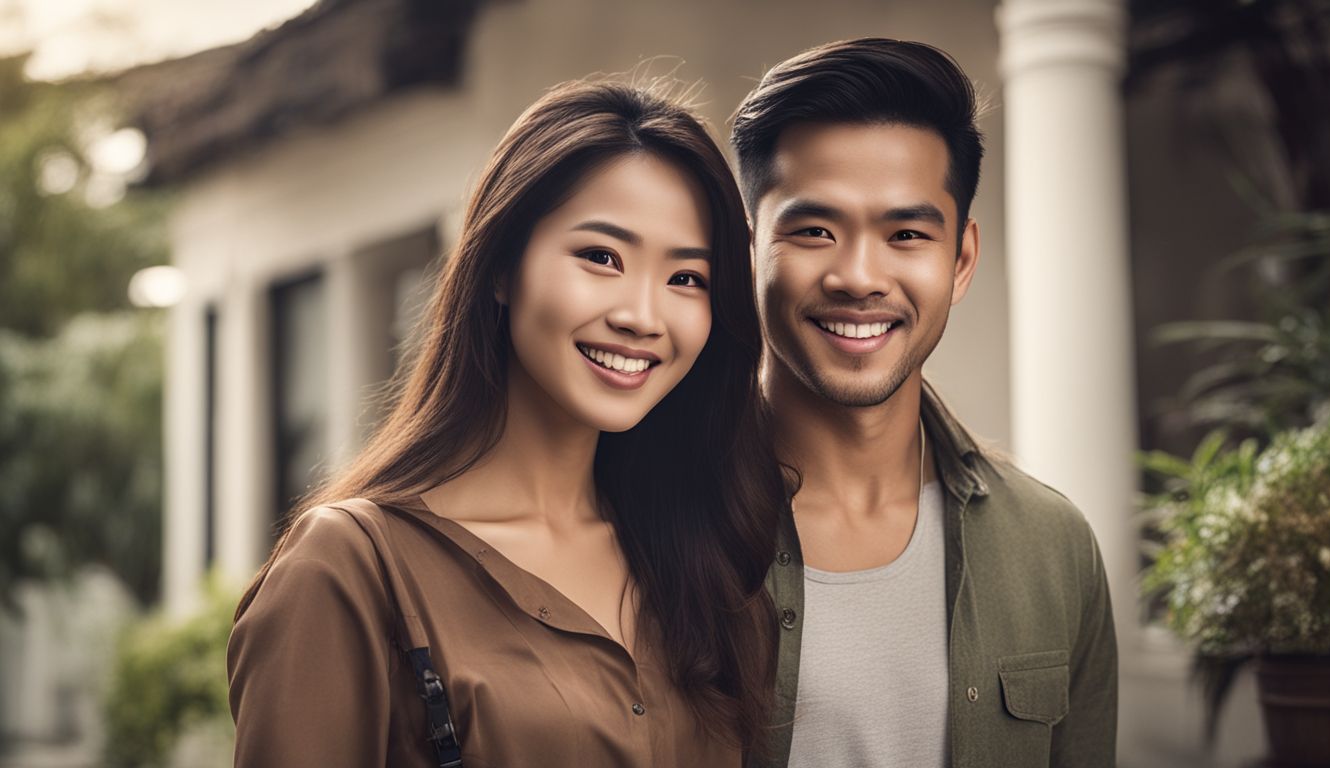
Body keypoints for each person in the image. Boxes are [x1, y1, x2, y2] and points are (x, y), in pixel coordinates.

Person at [227, 79, 786, 768]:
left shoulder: (708, 566)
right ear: (500, 267)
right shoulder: (350, 570)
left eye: (686, 279)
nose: (642, 316)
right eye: (601, 258)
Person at [729, 39, 1118, 767]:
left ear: (961, 260)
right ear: (749, 251)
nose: (858, 276)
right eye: (814, 230)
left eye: (905, 234)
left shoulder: (1053, 546)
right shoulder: (648, 518)